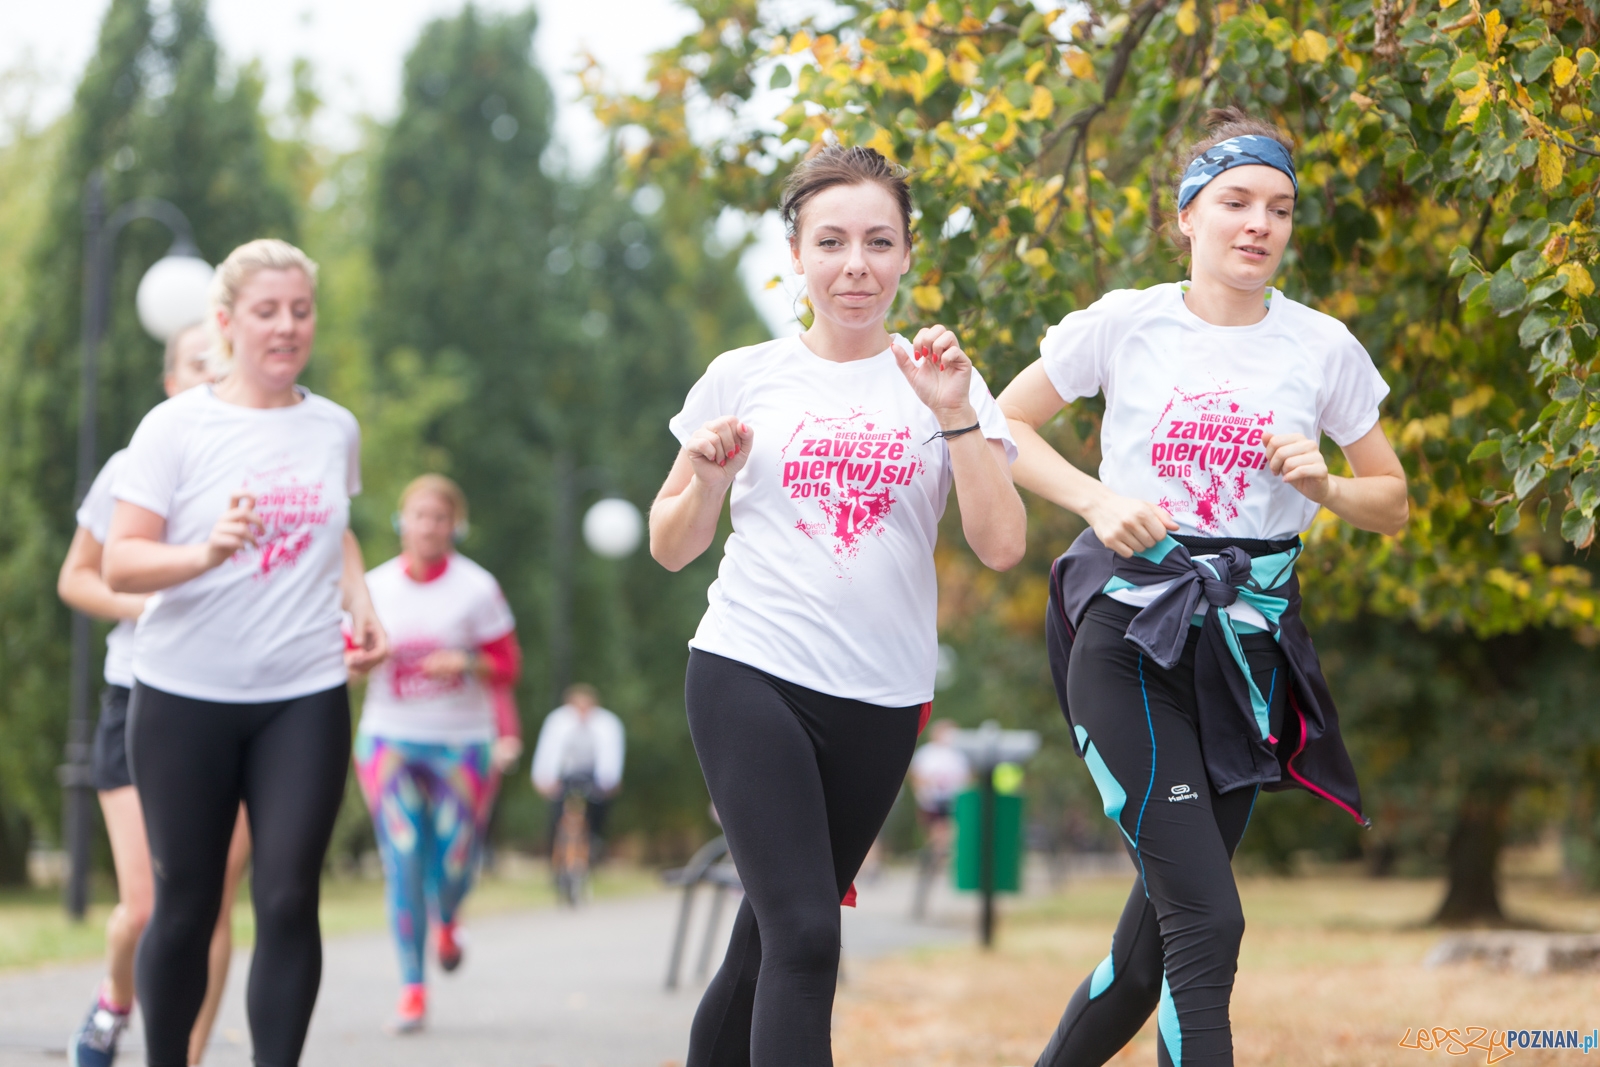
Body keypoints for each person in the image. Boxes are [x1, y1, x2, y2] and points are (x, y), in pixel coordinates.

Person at [996, 108, 1408, 1067]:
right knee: (1209, 925)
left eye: (1278, 207)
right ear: (1188, 214)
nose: (1257, 223)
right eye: (1234, 202)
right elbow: (1000, 425)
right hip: (1130, 643)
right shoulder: (1126, 322)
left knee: (1152, 956)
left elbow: (1391, 500)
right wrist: (1098, 498)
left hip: (1245, 663)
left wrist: (1326, 486)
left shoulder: (1322, 347)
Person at [649, 144, 1027, 1067]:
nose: (854, 264)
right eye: (831, 241)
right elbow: (671, 544)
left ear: (906, 255)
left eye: (877, 241)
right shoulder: (744, 374)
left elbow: (1002, 543)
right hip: (749, 671)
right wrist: (703, 479)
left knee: (767, 942)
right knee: (810, 934)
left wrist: (955, 415)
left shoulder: (948, 384)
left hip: (882, 698)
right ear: (796, 252)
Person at [104, 238, 388, 1067]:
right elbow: (122, 560)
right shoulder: (174, 427)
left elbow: (335, 532)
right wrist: (203, 552)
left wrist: (361, 599)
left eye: (299, 311)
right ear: (226, 322)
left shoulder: (334, 427)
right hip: (183, 694)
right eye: (267, 311)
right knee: (187, 904)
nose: (286, 326)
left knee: (290, 895)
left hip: (301, 691)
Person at [59, 323, 252, 1067]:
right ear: (170, 382)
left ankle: (188, 1057)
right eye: (196, 365)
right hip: (139, 695)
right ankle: (116, 999)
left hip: (241, 701)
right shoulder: (132, 463)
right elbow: (78, 575)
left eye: (221, 364)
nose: (211, 376)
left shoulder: (271, 458)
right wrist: (153, 602)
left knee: (212, 900)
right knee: (147, 905)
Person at [352, 473, 523, 1034]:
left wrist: (465, 663)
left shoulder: (477, 588)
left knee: (453, 857)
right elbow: (347, 659)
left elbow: (508, 666)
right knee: (401, 854)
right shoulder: (373, 586)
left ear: (456, 526)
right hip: (389, 739)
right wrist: (363, 660)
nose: (428, 526)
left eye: (440, 517)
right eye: (419, 515)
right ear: (403, 522)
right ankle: (412, 989)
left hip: (461, 742)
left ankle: (448, 917)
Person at [531, 684, 624, 858]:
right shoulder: (557, 721)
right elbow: (548, 752)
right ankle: (557, 855)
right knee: (557, 813)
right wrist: (543, 779)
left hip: (594, 774)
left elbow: (611, 755)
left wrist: (609, 782)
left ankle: (593, 844)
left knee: (597, 809)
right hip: (564, 773)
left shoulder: (607, 723)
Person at [907, 718, 970, 916]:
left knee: (947, 835)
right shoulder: (926, 754)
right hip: (932, 803)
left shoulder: (958, 755)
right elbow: (917, 777)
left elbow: (966, 778)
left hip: (953, 803)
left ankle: (940, 857)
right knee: (939, 836)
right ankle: (938, 857)